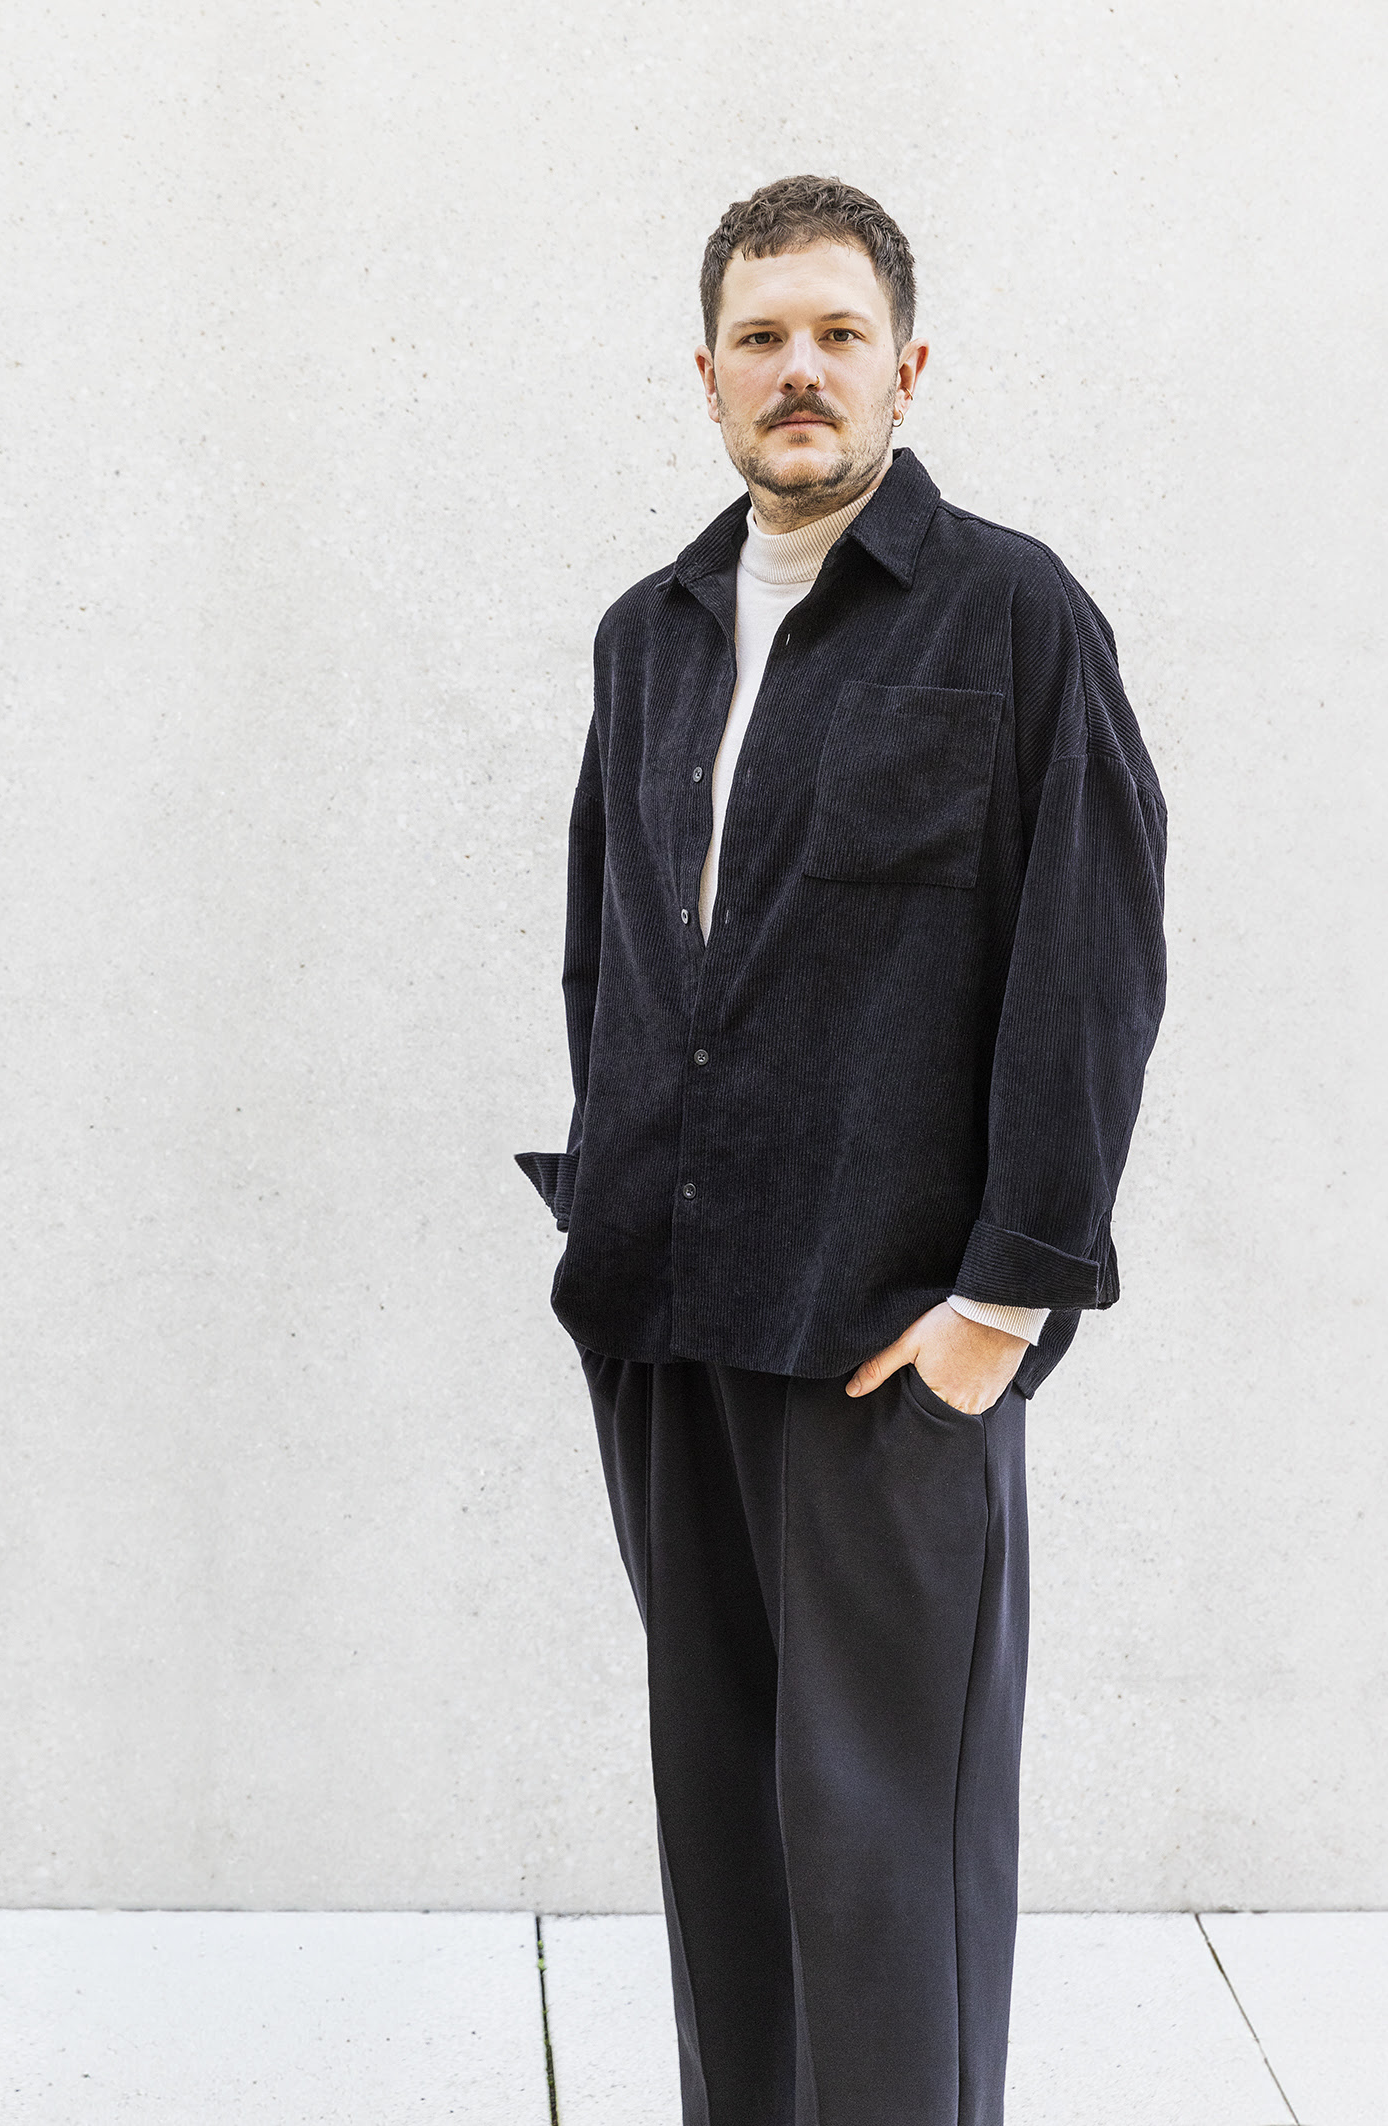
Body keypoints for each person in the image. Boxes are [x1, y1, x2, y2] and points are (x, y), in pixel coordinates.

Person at [517, 175, 1166, 2126]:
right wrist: (605, 1219)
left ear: (905, 365)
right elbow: (610, 955)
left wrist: (1001, 1301)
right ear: (705, 371)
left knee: (885, 1849)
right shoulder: (645, 636)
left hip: (893, 1338)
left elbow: (1088, 962)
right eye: (760, 337)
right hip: (670, 1316)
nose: (795, 369)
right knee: (722, 1827)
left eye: (833, 334)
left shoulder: (1009, 615)